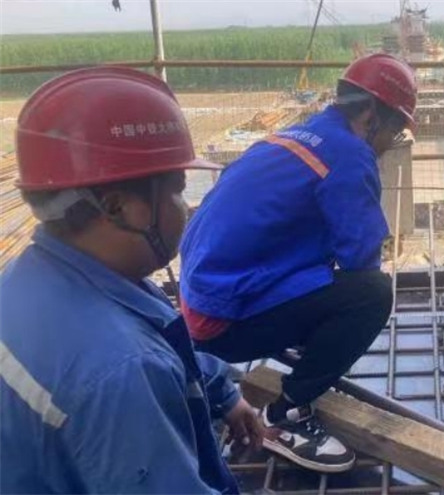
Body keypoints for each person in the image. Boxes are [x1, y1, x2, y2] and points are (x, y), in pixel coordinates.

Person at [0, 67, 264, 494]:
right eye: (177, 190)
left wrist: (224, 393)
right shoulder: (121, 370)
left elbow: (158, 331)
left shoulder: (34, 276)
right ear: (117, 207)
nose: (186, 207)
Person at [179, 53, 417, 473]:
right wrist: (337, 339)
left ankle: (304, 351)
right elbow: (362, 259)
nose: (388, 143)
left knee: (331, 276)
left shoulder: (291, 136)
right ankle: (286, 416)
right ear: (369, 115)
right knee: (371, 295)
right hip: (223, 324)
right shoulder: (349, 154)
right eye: (394, 129)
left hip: (198, 305)